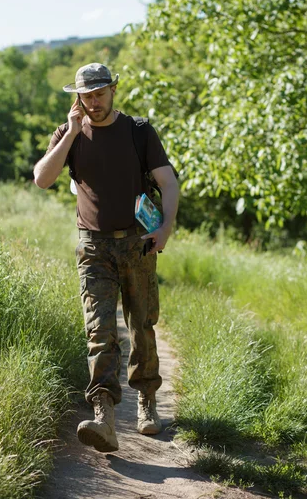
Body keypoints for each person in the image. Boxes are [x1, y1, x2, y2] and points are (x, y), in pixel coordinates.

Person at [34, 63, 179, 453]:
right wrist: (69, 134)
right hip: (93, 247)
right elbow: (42, 178)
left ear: (114, 90)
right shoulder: (69, 134)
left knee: (141, 325)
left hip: (138, 244)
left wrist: (164, 228)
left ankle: (147, 402)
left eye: (99, 93)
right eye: (85, 95)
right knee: (99, 331)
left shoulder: (138, 132)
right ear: (77, 97)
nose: (93, 102)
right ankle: (103, 416)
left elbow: (167, 181)